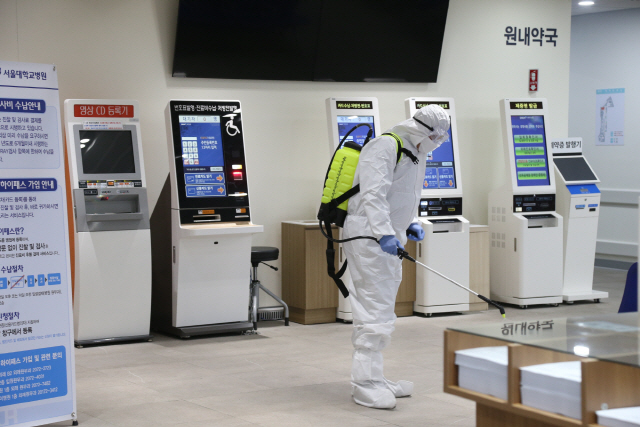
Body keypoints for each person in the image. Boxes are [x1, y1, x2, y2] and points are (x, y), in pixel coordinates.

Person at [342, 104, 450, 409]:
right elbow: (372, 195)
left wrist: (408, 223)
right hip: (369, 236)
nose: (439, 140)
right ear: (420, 128)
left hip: (388, 236)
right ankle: (365, 385)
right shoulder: (386, 145)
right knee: (374, 311)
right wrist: (383, 232)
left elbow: (401, 196)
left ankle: (376, 377)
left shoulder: (415, 152)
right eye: (436, 134)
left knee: (383, 309)